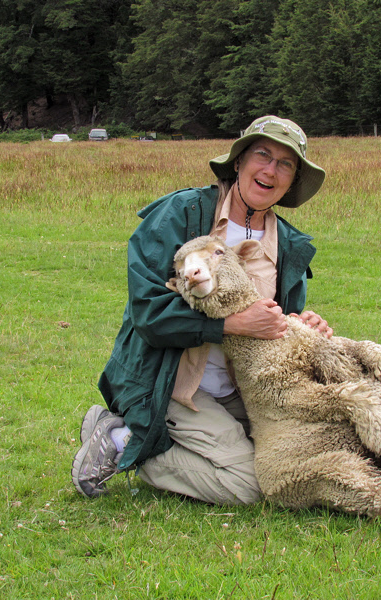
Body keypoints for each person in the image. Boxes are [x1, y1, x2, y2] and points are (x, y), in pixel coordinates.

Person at [71, 115, 331, 505]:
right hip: (171, 383)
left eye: (285, 163)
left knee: (295, 458)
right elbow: (148, 314)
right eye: (262, 154)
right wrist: (230, 325)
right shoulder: (182, 214)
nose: (270, 169)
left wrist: (302, 326)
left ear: (292, 180)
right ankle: (124, 440)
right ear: (239, 161)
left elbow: (276, 325)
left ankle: (165, 439)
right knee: (253, 485)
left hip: (242, 389)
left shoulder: (290, 245)